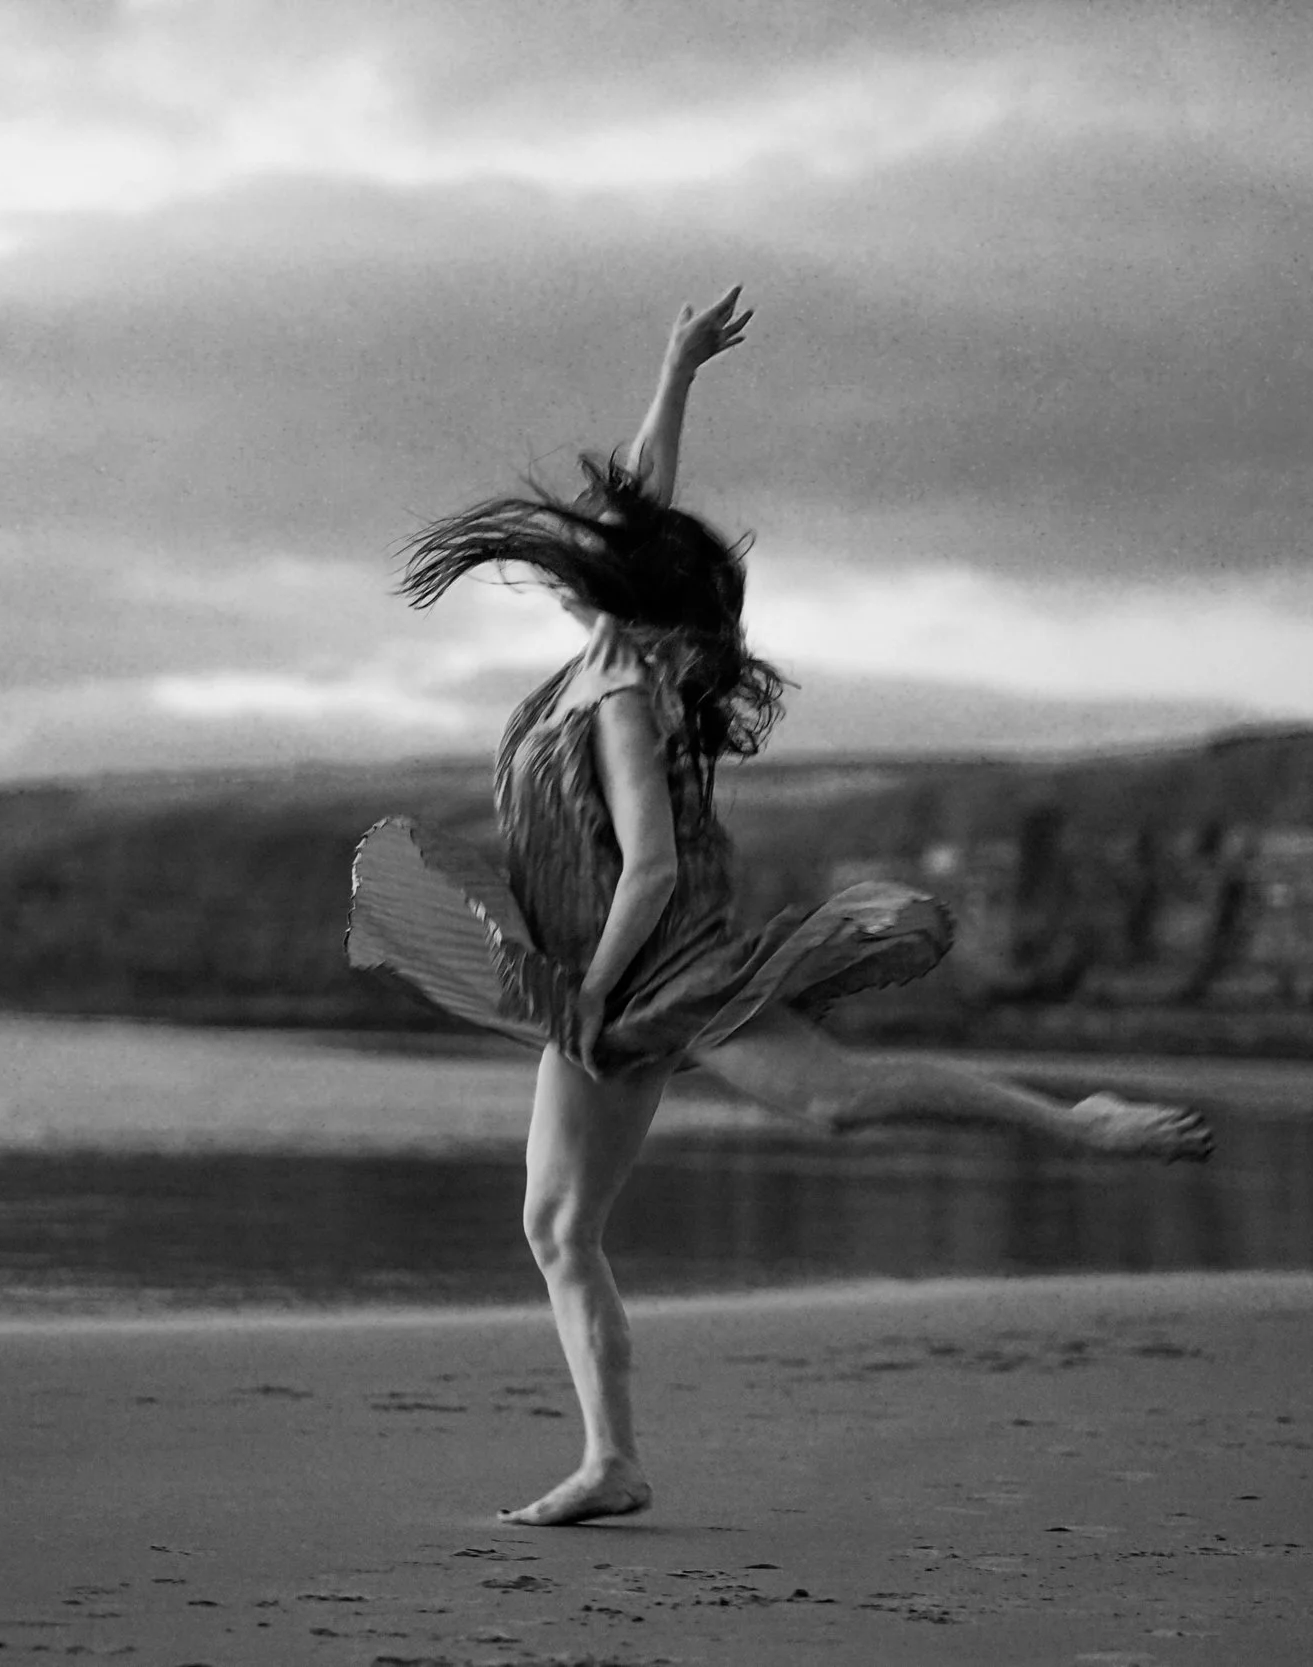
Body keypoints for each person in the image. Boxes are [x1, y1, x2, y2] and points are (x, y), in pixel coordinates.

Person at [347, 286, 1212, 1528]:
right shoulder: (603, 654)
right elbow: (641, 490)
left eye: (594, 549)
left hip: (660, 969)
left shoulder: (624, 696)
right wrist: (676, 366)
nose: (575, 552)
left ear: (613, 585)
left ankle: (1078, 1126)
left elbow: (646, 868)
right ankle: (612, 1459)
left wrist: (589, 999)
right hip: (602, 985)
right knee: (552, 1220)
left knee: (835, 1103)